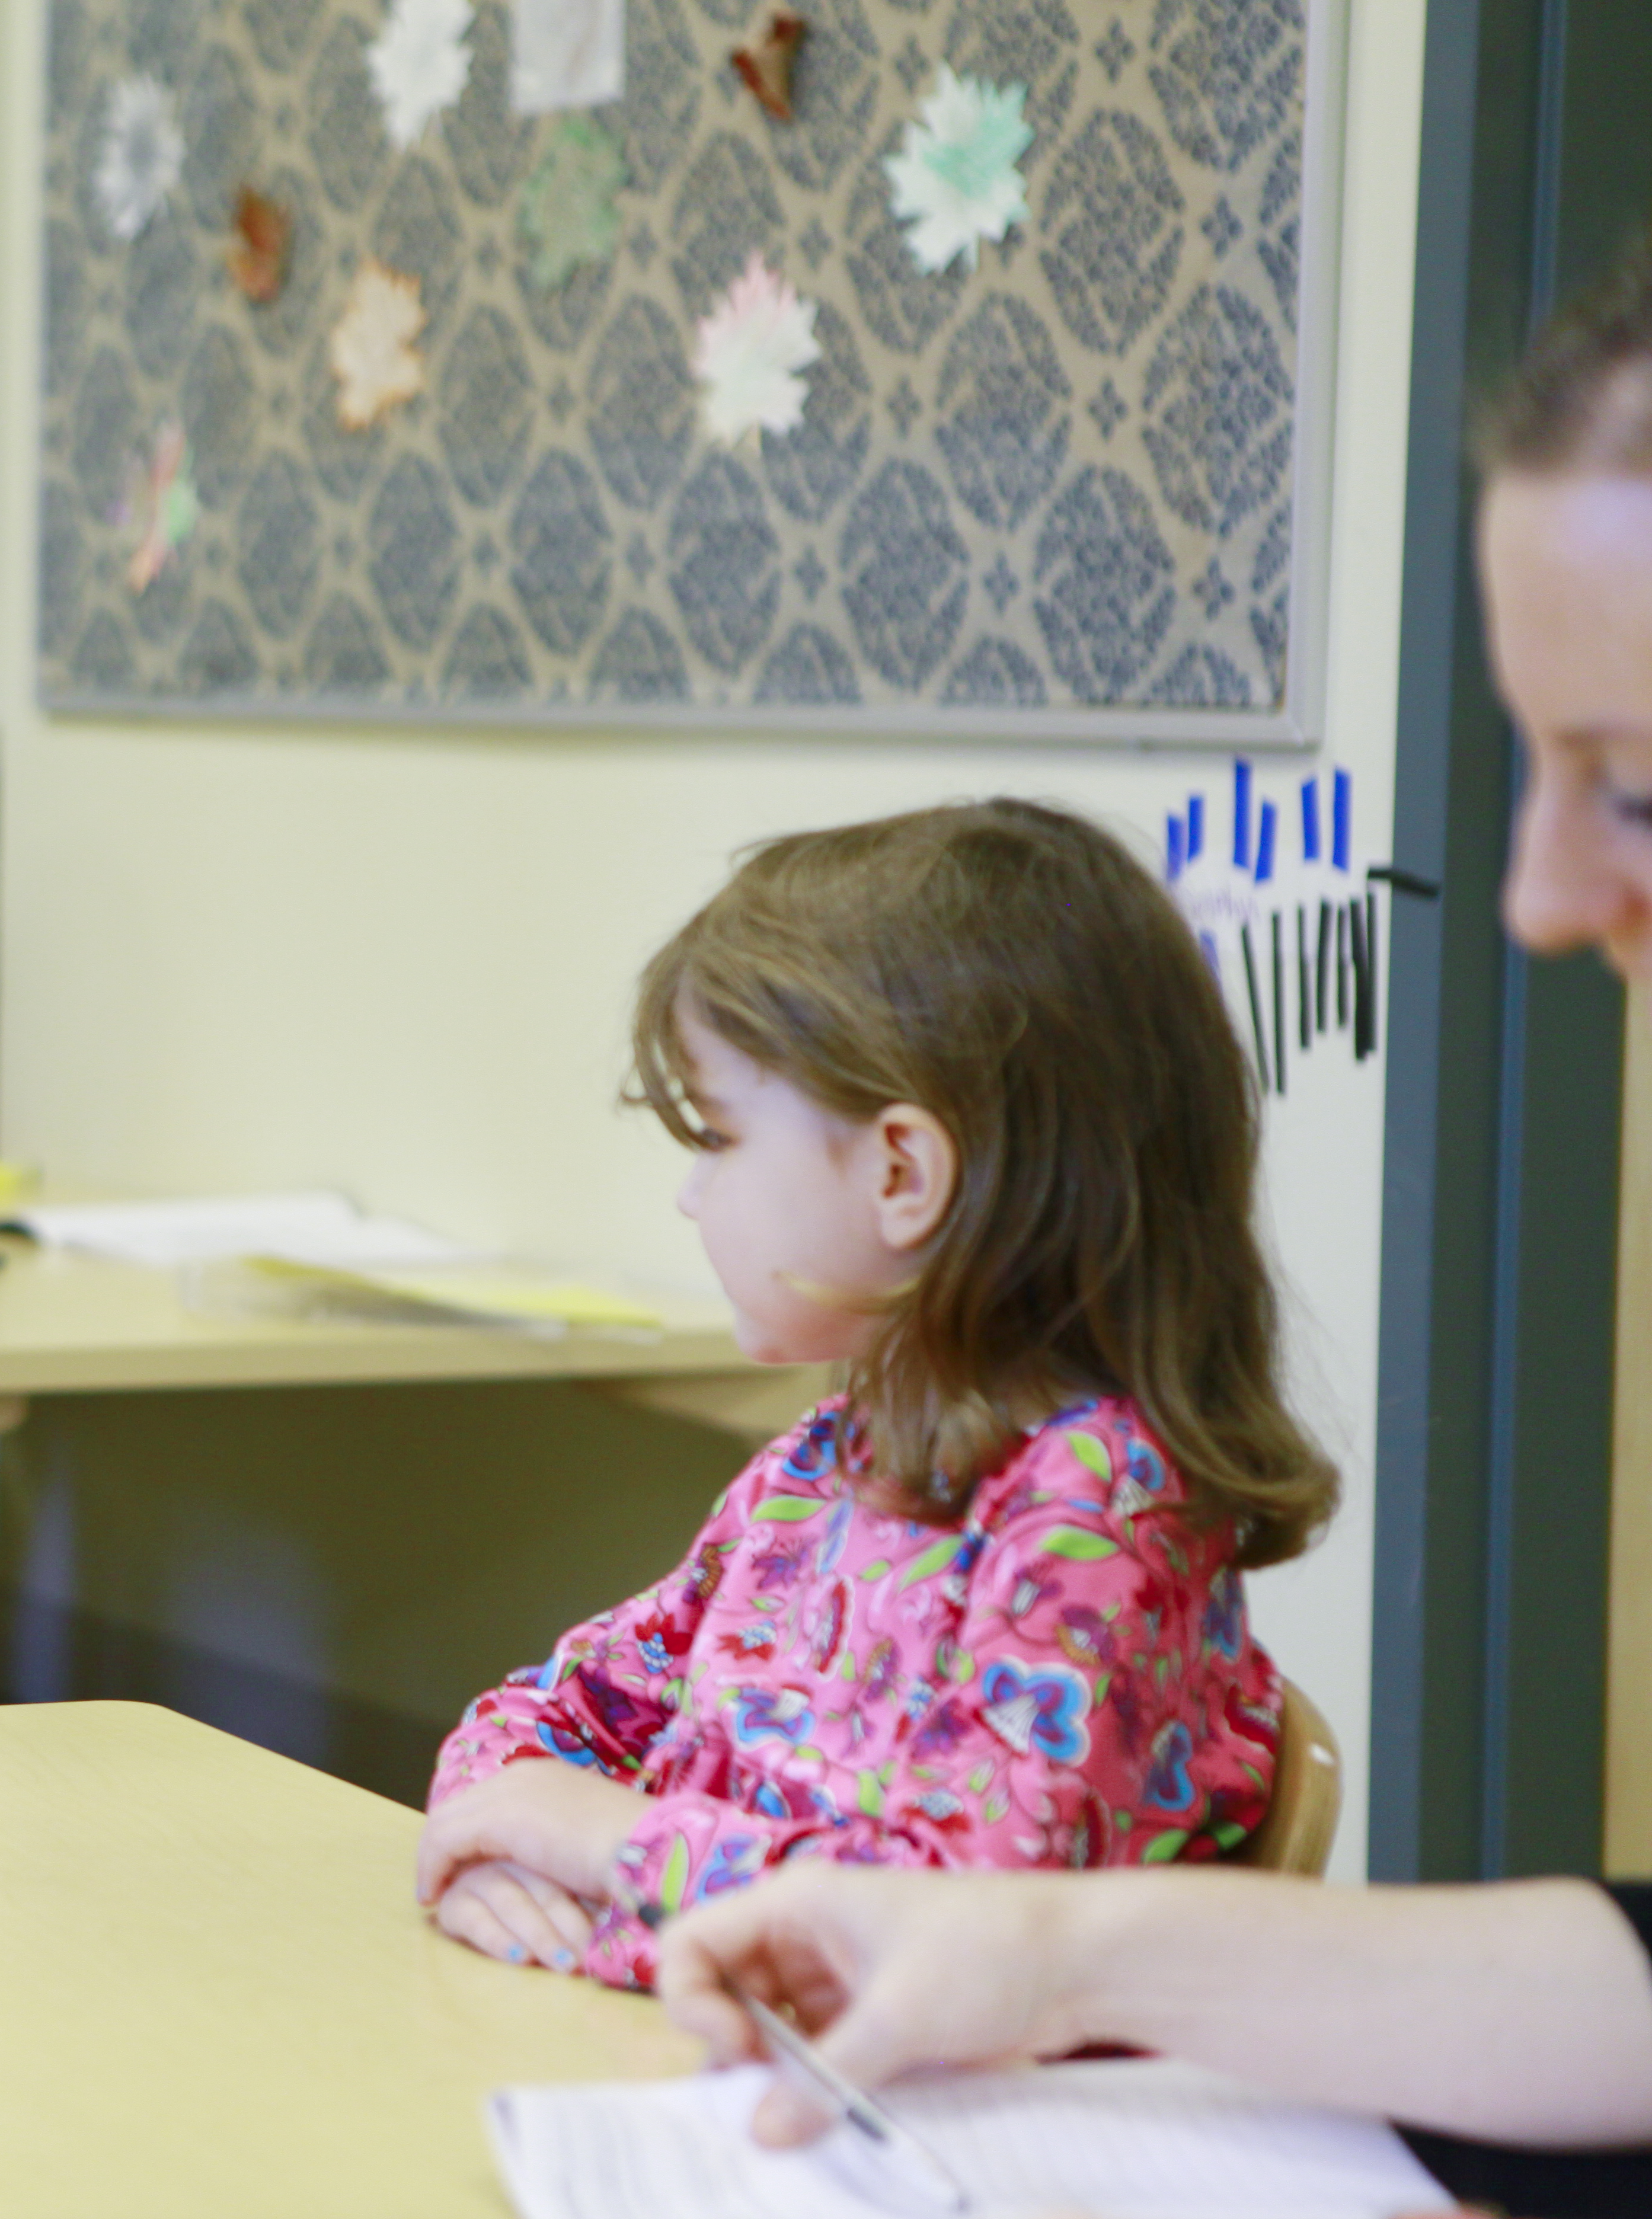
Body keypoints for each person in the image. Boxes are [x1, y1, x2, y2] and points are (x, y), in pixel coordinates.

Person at [644, 230, 1652, 2211]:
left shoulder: (1089, 1490)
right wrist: (1053, 1953)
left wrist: (619, 1847)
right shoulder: (825, 1459)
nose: (1531, 896)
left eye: (1622, 787)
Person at [415, 800, 1336, 1990]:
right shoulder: (825, 1465)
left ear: (904, 1172)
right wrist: (503, 1852)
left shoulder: (1101, 1516)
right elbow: (545, 1725)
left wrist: (603, 1849)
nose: (692, 1199)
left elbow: (950, 1935)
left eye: (721, 1138)